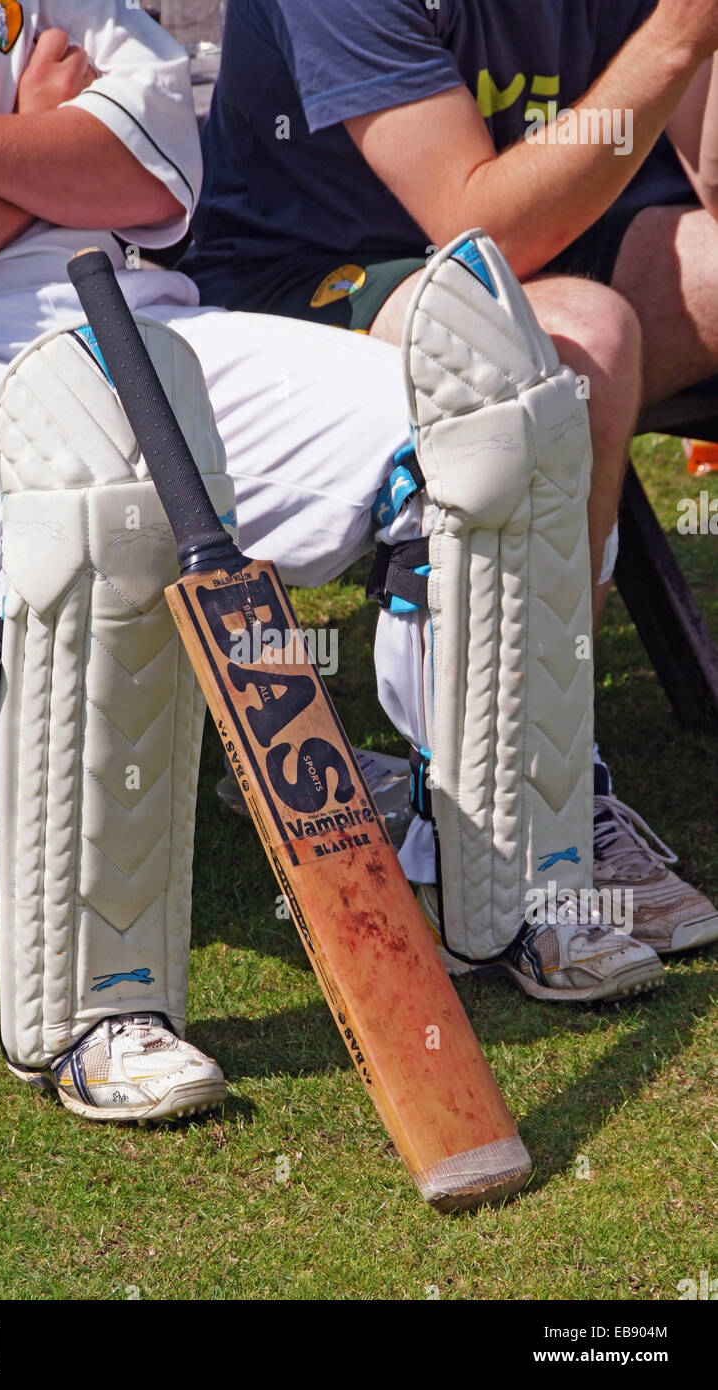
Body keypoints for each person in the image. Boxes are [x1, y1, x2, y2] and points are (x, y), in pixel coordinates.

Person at [0, 3, 662, 1145]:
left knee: (493, 421)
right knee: (97, 513)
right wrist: (41, 143)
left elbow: (157, 163)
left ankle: (500, 877)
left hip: (136, 315)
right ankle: (99, 1008)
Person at [183, 0, 718, 962]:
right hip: (309, 287)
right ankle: (538, 794)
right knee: (571, 351)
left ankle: (527, 753)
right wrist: (679, 32)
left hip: (545, 240)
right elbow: (479, 222)